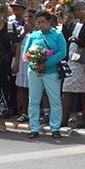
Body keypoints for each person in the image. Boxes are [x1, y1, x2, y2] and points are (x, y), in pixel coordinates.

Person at [23, 10, 67, 138]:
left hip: (51, 72)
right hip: (35, 72)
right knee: (34, 101)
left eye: (43, 22)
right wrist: (34, 65)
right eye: (38, 22)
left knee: (55, 100)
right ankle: (34, 128)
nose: (41, 25)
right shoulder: (33, 35)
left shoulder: (57, 35)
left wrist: (46, 64)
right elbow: (26, 54)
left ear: (49, 22)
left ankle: (55, 128)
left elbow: (62, 52)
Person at [61, 0, 85, 128]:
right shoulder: (72, 24)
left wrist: (76, 40)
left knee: (83, 91)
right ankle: (63, 119)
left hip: (82, 61)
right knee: (66, 90)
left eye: (81, 9)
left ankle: (84, 119)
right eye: (76, 10)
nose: (78, 12)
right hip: (71, 59)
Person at [0, 3, 19, 132]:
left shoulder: (9, 26)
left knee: (3, 92)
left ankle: (1, 121)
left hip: (4, 66)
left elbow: (16, 45)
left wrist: (16, 61)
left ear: (2, 12)